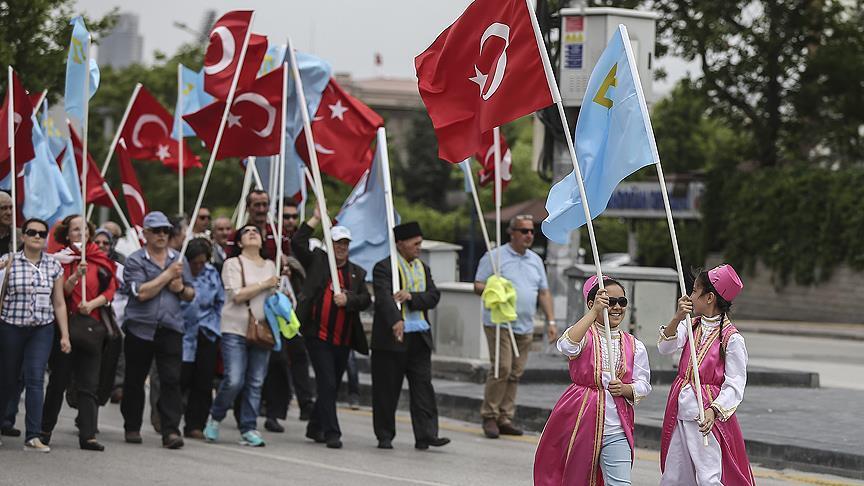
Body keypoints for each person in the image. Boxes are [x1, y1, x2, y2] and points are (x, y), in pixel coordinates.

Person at [534, 276, 651, 485]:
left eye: (622, 302)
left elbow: (643, 384)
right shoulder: (584, 336)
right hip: (580, 424)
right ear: (592, 304)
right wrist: (593, 313)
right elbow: (566, 345)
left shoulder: (634, 345)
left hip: (617, 429)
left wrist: (625, 389)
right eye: (609, 302)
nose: (616, 307)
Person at [658, 264, 754, 485]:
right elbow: (665, 348)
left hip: (705, 415)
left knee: (708, 476)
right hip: (680, 410)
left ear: (709, 297)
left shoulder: (732, 339)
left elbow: (735, 384)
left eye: (694, 291)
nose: (690, 295)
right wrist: (677, 317)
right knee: (674, 475)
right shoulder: (690, 326)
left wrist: (714, 411)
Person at [473, 214, 556, 439]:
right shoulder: (495, 257)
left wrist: (550, 321)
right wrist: (493, 289)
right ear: (512, 233)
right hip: (499, 322)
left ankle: (504, 416)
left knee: (515, 372)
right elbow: (478, 284)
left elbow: (544, 291)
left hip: (525, 325)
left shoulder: (535, 260)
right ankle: (489, 415)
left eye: (531, 231)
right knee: (502, 368)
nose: (529, 235)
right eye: (524, 231)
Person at [293, 212, 371, 449]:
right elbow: (297, 243)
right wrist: (315, 219)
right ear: (330, 244)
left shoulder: (357, 272)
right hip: (318, 336)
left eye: (345, 244)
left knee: (332, 384)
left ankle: (314, 426)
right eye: (337, 243)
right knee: (326, 382)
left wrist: (349, 300)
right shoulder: (318, 261)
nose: (342, 248)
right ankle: (332, 432)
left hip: (344, 338)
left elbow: (365, 299)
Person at [41, 215, 117, 452]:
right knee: (58, 380)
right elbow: (60, 293)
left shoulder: (99, 258)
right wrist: (75, 277)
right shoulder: (61, 260)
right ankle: (44, 430)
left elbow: (112, 287)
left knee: (89, 383)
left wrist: (92, 304)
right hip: (67, 327)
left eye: (84, 229)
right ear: (67, 234)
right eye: (75, 229)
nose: (80, 233)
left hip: (92, 328)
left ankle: (88, 434)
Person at [371, 221, 450, 450]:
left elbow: (433, 296)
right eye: (415, 243)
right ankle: (384, 435)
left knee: (423, 387)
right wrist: (396, 320)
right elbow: (385, 298)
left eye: (420, 243)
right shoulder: (384, 268)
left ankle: (426, 434)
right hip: (392, 339)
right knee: (387, 389)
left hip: (419, 337)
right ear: (400, 243)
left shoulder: (422, 268)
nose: (418, 247)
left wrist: (411, 297)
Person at [120, 211, 195, 449]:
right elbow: (141, 293)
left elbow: (191, 294)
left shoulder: (178, 259)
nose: (162, 235)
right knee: (134, 379)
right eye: (157, 231)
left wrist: (181, 287)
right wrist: (167, 277)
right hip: (140, 328)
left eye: (166, 231)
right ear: (146, 234)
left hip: (171, 327)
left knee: (171, 379)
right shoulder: (134, 260)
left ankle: (171, 430)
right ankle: (132, 425)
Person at [203, 224, 277, 447]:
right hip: (235, 328)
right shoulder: (232, 264)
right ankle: (216, 416)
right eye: (246, 232)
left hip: (262, 329)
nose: (252, 233)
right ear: (239, 241)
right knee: (234, 379)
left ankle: (249, 427)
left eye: (256, 231)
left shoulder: (272, 265)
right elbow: (236, 295)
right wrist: (265, 284)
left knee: (255, 382)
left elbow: (275, 298)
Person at [0, 218, 71, 452]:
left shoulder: (53, 266)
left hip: (42, 328)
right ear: (22, 236)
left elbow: (59, 302)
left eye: (42, 233)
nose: (37, 236)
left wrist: (64, 335)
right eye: (32, 232)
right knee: (7, 379)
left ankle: (33, 436)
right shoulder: (8, 262)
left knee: (35, 379)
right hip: (11, 326)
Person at [261, 200, 315, 431]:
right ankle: (274, 412)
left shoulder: (300, 247)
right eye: (287, 217)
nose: (291, 221)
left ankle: (306, 403)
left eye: (294, 217)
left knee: (299, 357)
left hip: (294, 311)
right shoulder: (269, 240)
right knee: (278, 362)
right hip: (272, 310)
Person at [180, 238, 224, 440]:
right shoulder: (178, 272)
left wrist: (215, 326)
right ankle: (169, 418)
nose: (198, 266)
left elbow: (220, 302)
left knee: (203, 381)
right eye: (194, 262)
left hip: (206, 331)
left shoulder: (212, 273)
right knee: (179, 378)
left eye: (202, 262)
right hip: (182, 333)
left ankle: (195, 424)